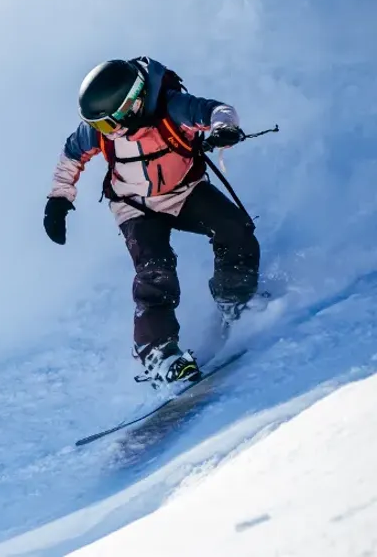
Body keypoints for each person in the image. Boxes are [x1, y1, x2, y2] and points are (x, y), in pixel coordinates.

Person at [43, 56, 261, 385]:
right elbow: (72, 153)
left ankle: (235, 297)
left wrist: (223, 129)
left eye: (107, 124)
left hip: (185, 191)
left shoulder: (171, 107)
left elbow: (217, 110)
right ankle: (157, 352)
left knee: (235, 229)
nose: (104, 132)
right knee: (154, 269)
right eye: (98, 125)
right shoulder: (101, 131)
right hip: (135, 206)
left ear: (133, 104)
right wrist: (59, 199)